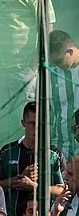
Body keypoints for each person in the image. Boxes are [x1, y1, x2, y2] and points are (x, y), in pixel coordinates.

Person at [0, 102, 65, 216]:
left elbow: (63, 191)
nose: (37, 129)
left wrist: (34, 186)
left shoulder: (54, 154)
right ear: (23, 123)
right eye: (33, 123)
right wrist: (16, 181)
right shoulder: (8, 152)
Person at [49, 30, 79, 158]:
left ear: (70, 52)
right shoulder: (49, 75)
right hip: (61, 148)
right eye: (53, 62)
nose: (56, 65)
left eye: (59, 61)